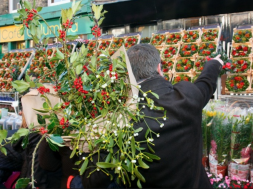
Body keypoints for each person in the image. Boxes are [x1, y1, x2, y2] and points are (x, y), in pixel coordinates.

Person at [82, 43, 223, 188]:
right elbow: (205, 85)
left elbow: (94, 180)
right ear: (159, 68)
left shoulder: (120, 121)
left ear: (127, 76)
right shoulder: (187, 96)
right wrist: (213, 65)